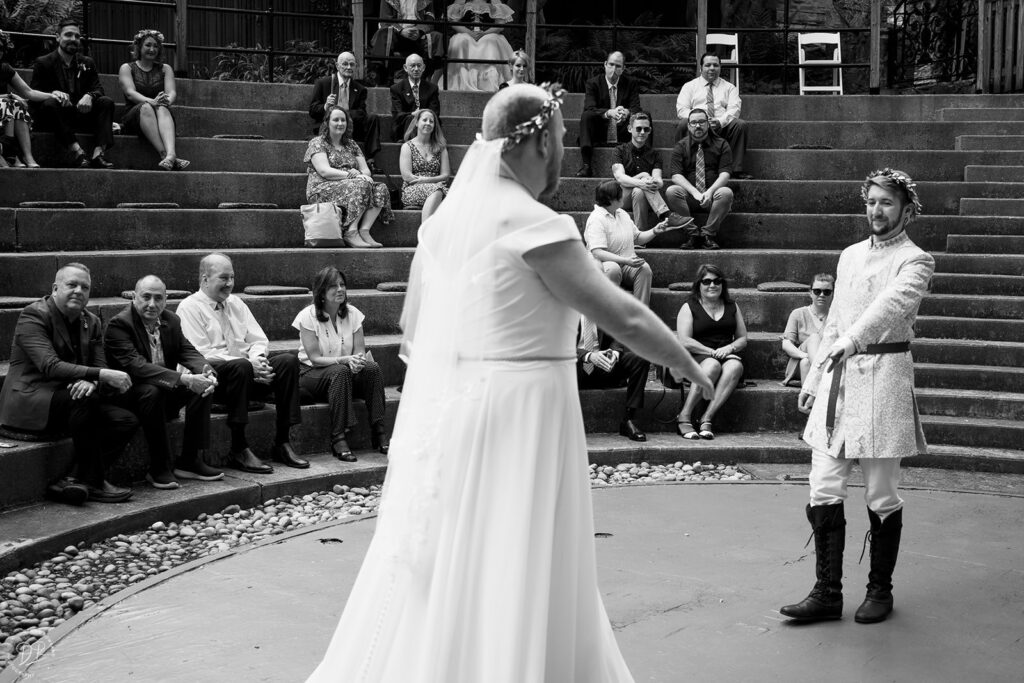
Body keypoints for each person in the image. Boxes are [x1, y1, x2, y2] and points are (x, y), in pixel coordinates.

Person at [305, 83, 714, 682]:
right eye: (556, 137)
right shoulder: (536, 223)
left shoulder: (446, 224)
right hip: (527, 408)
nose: (559, 150)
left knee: (466, 547)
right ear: (536, 140)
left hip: (465, 405)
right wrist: (687, 362)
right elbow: (620, 314)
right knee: (522, 551)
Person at [781, 169, 934, 625]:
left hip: (884, 377)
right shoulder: (848, 256)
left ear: (907, 209)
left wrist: (851, 342)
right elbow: (835, 319)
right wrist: (813, 380)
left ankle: (880, 590)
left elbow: (888, 307)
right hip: (838, 380)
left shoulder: (916, 260)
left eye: (886, 203)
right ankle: (827, 592)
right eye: (871, 201)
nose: (876, 210)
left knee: (881, 493)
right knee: (823, 486)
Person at [0, 264, 136, 504]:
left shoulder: (91, 321)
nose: (78, 291)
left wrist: (92, 381)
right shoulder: (33, 315)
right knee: (85, 399)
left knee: (126, 420)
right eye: (71, 285)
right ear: (55, 288)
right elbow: (50, 365)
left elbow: (98, 364)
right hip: (32, 399)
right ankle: (94, 482)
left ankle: (73, 480)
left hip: (69, 399)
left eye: (84, 287)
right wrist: (100, 376)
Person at [176, 253, 307, 473]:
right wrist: (248, 364)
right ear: (205, 279)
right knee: (240, 366)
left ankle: (283, 441)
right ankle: (239, 446)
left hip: (247, 376)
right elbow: (200, 356)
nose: (229, 284)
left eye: (232, 277)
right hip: (213, 384)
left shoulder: (236, 303)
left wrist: (258, 362)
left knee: (287, 362)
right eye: (223, 278)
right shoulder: (189, 308)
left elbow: (258, 339)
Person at [104, 275, 225, 488]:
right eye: (146, 297)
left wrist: (206, 372)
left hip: (163, 392)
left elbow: (186, 351)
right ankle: (159, 466)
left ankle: (190, 460)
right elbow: (137, 367)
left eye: (158, 298)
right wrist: (185, 379)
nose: (152, 304)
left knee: (202, 386)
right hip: (131, 397)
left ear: (166, 299)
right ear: (134, 297)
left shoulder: (171, 320)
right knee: (153, 390)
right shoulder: (120, 325)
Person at [293, 266, 389, 463]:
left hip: (343, 372)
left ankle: (379, 431)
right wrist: (346, 361)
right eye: (333, 286)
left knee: (373, 368)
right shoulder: (307, 316)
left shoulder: (353, 313)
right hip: (312, 373)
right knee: (339, 371)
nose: (340, 290)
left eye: (342, 285)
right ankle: (338, 438)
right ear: (321, 292)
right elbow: (314, 358)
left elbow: (360, 352)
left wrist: (357, 363)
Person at [584, 180, 688, 307]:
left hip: (626, 263)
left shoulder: (622, 214)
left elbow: (638, 238)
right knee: (613, 268)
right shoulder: (596, 219)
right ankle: (610, 313)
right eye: (620, 194)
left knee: (644, 269)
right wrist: (625, 260)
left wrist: (656, 230)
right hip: (603, 265)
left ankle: (641, 314)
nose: (623, 196)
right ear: (611, 199)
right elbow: (597, 253)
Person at [674, 263, 747, 441]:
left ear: (722, 284)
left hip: (725, 353)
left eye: (717, 281)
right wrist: (713, 352)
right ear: (699, 284)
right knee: (713, 365)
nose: (712, 285)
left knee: (735, 366)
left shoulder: (732, 306)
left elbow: (742, 338)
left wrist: (729, 348)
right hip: (698, 354)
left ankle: (707, 418)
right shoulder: (689, 306)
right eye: (706, 281)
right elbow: (684, 340)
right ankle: (684, 416)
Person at [29, 20, 115, 168]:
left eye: (77, 36)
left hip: (81, 113)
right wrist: (53, 94)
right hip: (56, 116)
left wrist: (90, 96)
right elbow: (34, 94)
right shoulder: (43, 62)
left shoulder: (87, 62)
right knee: (50, 103)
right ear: (57, 37)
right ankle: (77, 152)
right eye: (68, 35)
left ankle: (98, 154)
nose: (73, 39)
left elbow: (98, 89)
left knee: (106, 102)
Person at [305, 106, 394, 248]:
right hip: (322, 187)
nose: (340, 123)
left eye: (343, 120)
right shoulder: (318, 142)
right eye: (336, 120)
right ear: (327, 122)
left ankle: (364, 230)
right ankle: (351, 232)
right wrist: (352, 175)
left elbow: (366, 171)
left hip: (351, 184)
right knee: (361, 184)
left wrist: (360, 175)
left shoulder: (351, 144)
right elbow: (324, 171)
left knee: (380, 188)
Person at [118, 29, 188, 171]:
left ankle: (170, 155)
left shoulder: (165, 69)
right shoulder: (127, 68)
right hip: (134, 116)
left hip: (160, 115)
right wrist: (152, 101)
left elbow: (172, 92)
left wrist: (165, 101)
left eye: (156, 46)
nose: (152, 49)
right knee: (145, 106)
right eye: (148, 45)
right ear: (139, 47)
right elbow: (130, 93)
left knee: (162, 107)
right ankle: (165, 155)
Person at [611, 111, 691, 232]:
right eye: (638, 129)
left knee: (639, 191)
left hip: (642, 195)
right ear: (629, 129)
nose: (642, 132)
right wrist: (642, 180)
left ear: (649, 130)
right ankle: (666, 215)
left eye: (646, 129)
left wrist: (654, 182)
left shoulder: (655, 154)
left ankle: (640, 236)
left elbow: (659, 180)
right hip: (621, 197)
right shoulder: (619, 150)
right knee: (643, 179)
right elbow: (620, 178)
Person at [665, 108, 734, 250]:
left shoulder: (722, 144)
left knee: (726, 192)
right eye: (694, 122)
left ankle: (707, 234)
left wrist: (709, 192)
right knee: (672, 191)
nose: (698, 126)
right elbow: (676, 175)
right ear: (688, 125)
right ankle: (693, 234)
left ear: (708, 124)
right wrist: (694, 192)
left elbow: (725, 174)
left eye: (702, 122)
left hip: (712, 197)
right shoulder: (681, 146)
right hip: (689, 197)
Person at [577, 312, 650, 442]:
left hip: (602, 366)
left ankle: (629, 419)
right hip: (576, 370)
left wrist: (614, 353)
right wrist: (588, 356)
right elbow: (558, 344)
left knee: (640, 359)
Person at [675, 52, 750, 179]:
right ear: (701, 68)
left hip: (721, 127)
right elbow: (681, 109)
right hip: (697, 125)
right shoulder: (689, 86)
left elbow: (734, 109)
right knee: (683, 123)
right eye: (708, 65)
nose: (712, 68)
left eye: (715, 65)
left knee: (740, 125)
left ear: (720, 67)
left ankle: (734, 169)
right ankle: (683, 167)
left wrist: (720, 122)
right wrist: (700, 119)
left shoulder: (729, 87)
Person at [308, 51, 382, 168]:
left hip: (351, 125)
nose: (349, 67)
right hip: (329, 125)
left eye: (352, 64)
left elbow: (361, 113)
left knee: (373, 118)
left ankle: (370, 158)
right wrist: (326, 106)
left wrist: (343, 115)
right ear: (337, 66)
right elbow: (312, 110)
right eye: (345, 64)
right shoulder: (323, 83)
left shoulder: (360, 89)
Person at [575, 51, 640, 178]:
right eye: (611, 64)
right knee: (587, 116)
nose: (614, 69)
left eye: (618, 66)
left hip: (622, 130)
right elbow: (589, 107)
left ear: (623, 69)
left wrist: (627, 112)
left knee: (644, 116)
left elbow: (636, 107)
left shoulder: (630, 83)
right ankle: (586, 165)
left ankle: (642, 164)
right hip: (600, 130)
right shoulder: (593, 83)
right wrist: (609, 112)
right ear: (605, 64)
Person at [1, 29, 57, 168]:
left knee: (16, 105)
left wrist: (53, 95)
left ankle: (27, 155)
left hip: (4, 109)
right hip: (3, 106)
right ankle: (11, 155)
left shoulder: (4, 68)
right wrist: (8, 96)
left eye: (0, 47)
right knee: (9, 103)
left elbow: (28, 92)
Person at [445, 0, 515, 92]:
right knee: (460, 39)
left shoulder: (494, 1)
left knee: (491, 41)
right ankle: (461, 82)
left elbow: (500, 25)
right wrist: (470, 33)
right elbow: (454, 22)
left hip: (487, 33)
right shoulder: (462, 1)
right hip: (467, 33)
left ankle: (490, 83)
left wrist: (484, 33)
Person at [370, 0, 445, 84]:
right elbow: (385, 21)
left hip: (418, 36)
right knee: (383, 33)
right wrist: (401, 31)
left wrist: (419, 31)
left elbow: (430, 21)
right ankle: (383, 77)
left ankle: (425, 79)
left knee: (436, 36)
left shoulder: (426, 1)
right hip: (396, 35)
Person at [780, 273, 834, 387]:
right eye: (817, 291)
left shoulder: (836, 317)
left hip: (825, 362)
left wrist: (808, 359)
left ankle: (809, 400)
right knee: (814, 338)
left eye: (827, 291)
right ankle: (818, 371)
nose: (822, 295)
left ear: (833, 293)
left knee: (806, 363)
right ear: (810, 292)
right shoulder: (798, 314)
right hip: (798, 364)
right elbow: (786, 344)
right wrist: (804, 355)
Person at [400, 107, 450, 221]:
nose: (428, 123)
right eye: (425, 120)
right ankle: (424, 233)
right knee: (438, 190)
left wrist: (425, 180)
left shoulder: (440, 147)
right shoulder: (407, 146)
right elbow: (407, 177)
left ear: (434, 126)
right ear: (417, 123)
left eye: (431, 121)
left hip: (438, 188)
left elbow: (446, 175)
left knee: (440, 191)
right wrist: (430, 181)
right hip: (413, 189)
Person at [390, 53, 441, 141]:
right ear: (405, 68)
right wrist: (413, 115)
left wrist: (421, 115)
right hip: (404, 126)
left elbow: (435, 111)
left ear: (423, 68)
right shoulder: (396, 88)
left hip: (426, 123)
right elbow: (398, 114)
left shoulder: (432, 88)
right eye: (412, 66)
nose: (416, 69)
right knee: (410, 119)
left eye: (419, 65)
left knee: (429, 119)